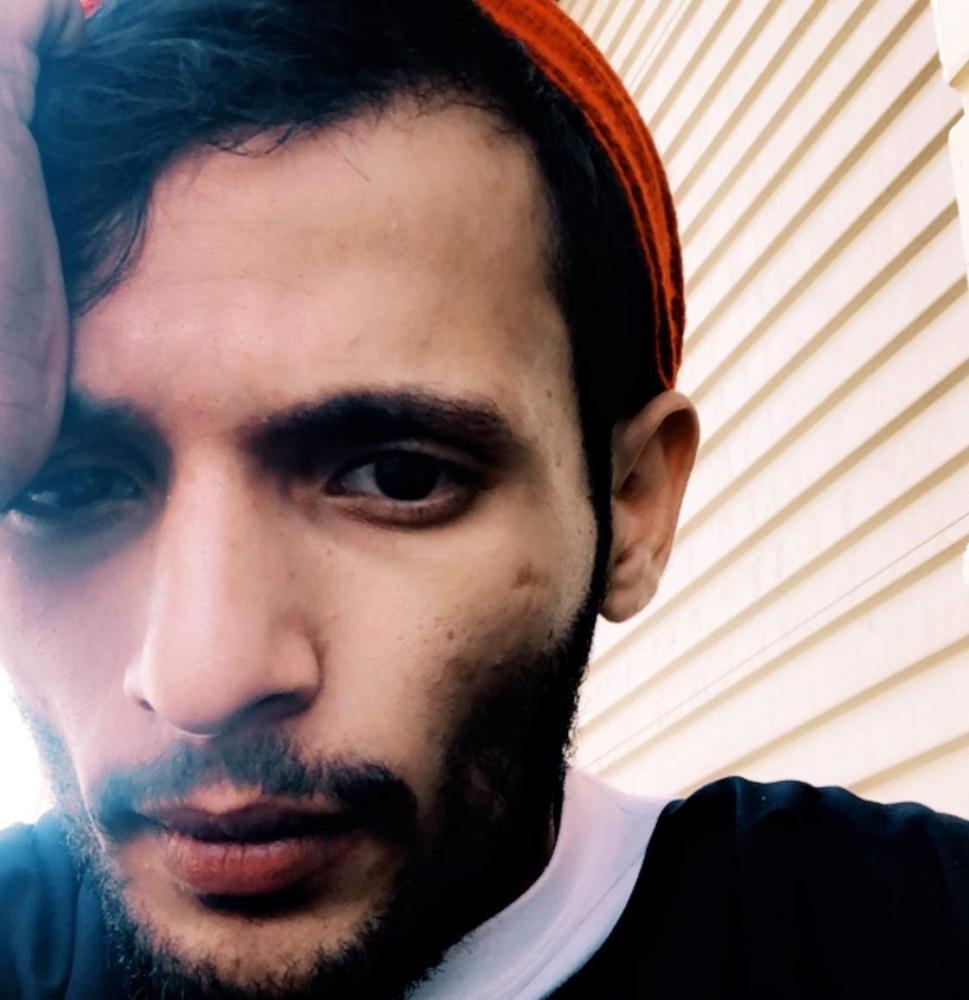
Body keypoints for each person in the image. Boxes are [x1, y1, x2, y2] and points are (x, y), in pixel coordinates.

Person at [0, 1, 966, 998]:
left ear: (631, 504)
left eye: (397, 477)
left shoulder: (912, 936)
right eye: (68, 484)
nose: (202, 681)